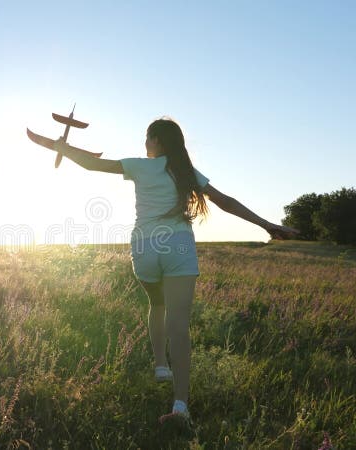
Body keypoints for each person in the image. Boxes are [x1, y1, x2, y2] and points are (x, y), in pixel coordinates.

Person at [49, 117, 297, 419]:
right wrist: (267, 224)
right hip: (178, 244)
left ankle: (159, 364)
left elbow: (91, 164)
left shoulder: (140, 165)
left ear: (156, 140)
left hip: (144, 246)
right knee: (179, 327)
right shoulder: (185, 171)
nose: (145, 143)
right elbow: (225, 202)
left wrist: (60, 146)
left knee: (156, 303)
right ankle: (180, 405)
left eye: (147, 137)